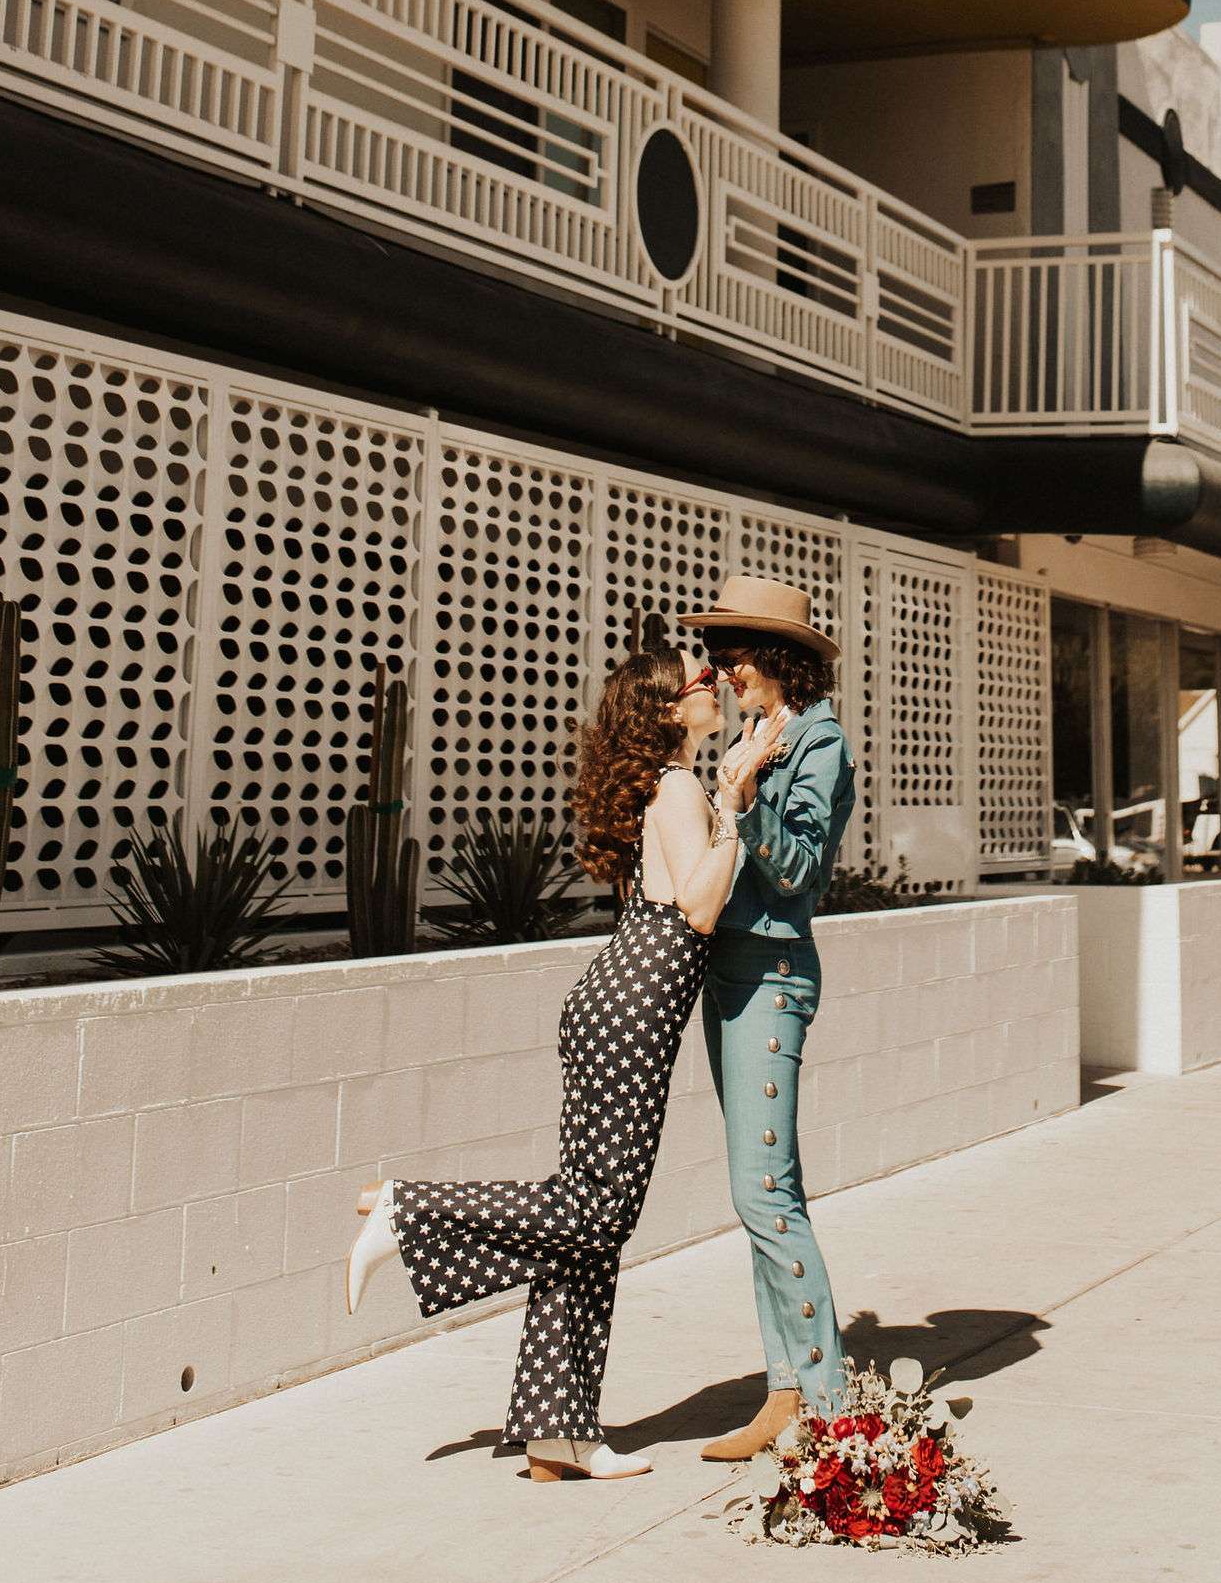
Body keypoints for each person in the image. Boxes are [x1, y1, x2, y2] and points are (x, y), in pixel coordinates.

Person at [341, 647, 776, 1480]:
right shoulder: (680, 787)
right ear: (668, 709)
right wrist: (731, 802)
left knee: (586, 1226)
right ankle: (407, 1209)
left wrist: (734, 792)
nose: (715, 685)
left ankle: (557, 1433)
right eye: (699, 681)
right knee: (598, 1212)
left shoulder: (666, 784)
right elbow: (699, 907)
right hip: (635, 1006)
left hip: (614, 999)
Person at [676, 574, 857, 1463]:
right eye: (715, 656)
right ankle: (786, 1390)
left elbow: (799, 872)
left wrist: (742, 801)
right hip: (729, 972)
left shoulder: (819, 741)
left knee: (764, 1194)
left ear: (780, 657)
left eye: (735, 654)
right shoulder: (755, 734)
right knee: (762, 1191)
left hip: (773, 974)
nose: (722, 671)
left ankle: (833, 1413)